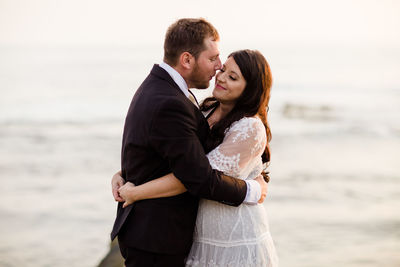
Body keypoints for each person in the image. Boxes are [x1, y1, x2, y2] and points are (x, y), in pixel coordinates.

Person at [110, 18, 268, 267]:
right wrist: (252, 190)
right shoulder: (175, 101)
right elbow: (198, 175)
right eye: (215, 59)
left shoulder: (163, 88)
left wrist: (129, 175)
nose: (218, 70)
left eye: (230, 74)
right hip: (157, 238)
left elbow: (164, 150)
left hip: (216, 235)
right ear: (187, 60)